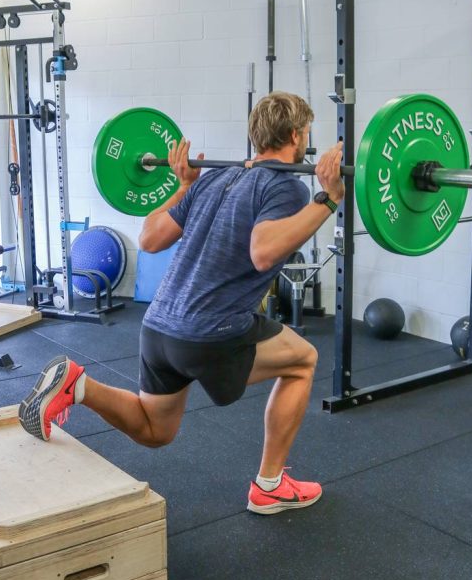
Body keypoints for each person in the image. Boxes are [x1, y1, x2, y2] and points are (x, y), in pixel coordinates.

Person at [18, 91, 345, 515]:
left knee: (155, 430)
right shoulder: (285, 186)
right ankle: (270, 485)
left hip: (159, 327)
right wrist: (329, 198)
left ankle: (78, 384)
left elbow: (150, 238)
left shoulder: (214, 179)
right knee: (303, 360)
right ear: (298, 135)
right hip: (211, 332)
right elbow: (264, 252)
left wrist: (183, 186)